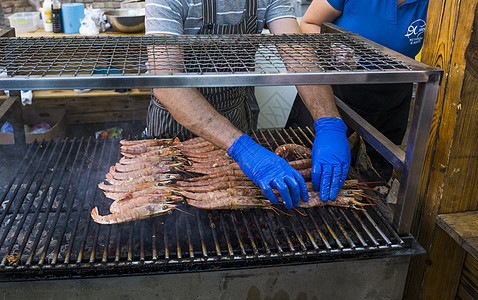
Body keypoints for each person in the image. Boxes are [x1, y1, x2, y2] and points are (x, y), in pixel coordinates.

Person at [144, 0, 351, 209]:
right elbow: (166, 83)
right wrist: (243, 149)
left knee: (235, 203)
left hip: (235, 113)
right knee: (173, 204)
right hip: (176, 124)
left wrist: (328, 122)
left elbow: (297, 53)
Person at [286, 0, 429, 181]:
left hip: (390, 102)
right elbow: (309, 23)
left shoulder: (436, 5)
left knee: (371, 181)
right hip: (333, 91)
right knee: (304, 170)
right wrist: (332, 47)